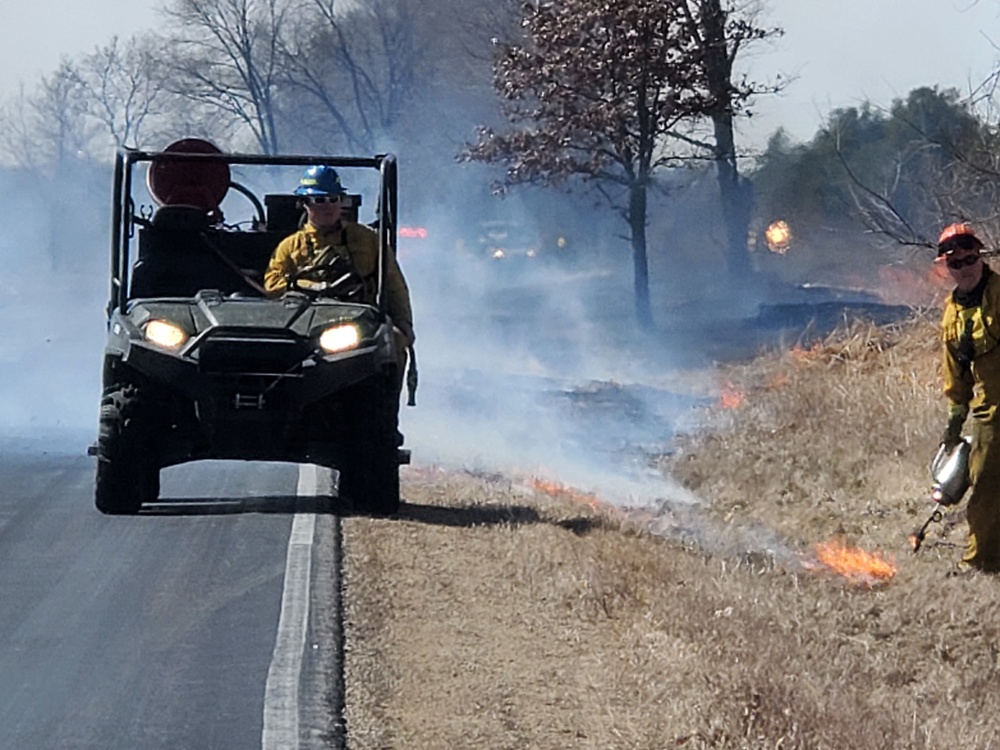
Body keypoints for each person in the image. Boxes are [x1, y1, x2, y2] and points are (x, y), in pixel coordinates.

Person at [264, 164, 414, 369]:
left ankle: (380, 400)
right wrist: (306, 286)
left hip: (359, 322)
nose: (328, 206)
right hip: (303, 326)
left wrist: (404, 323)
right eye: (319, 200)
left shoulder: (368, 240)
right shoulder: (290, 246)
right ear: (305, 204)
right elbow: (272, 283)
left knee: (393, 342)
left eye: (334, 199)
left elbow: (393, 283)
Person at [937, 222, 1000, 573]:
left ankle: (982, 559)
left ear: (980, 256)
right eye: (956, 263)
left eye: (970, 258)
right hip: (991, 414)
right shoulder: (952, 315)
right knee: (986, 484)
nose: (965, 268)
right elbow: (956, 375)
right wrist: (954, 421)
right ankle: (983, 561)